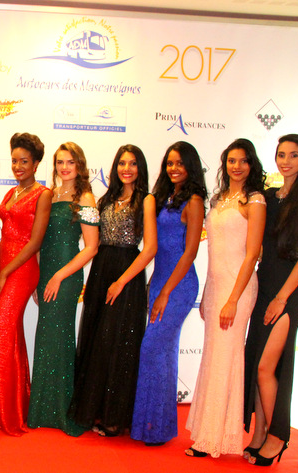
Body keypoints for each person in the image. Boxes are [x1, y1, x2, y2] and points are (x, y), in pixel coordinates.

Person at [243, 134, 298, 466]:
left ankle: (277, 437)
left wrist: (281, 297)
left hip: (289, 290)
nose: (286, 161)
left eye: (294, 155)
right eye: (281, 154)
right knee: (259, 364)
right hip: (264, 285)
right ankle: (259, 433)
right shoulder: (267, 197)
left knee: (267, 366)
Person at [184, 139, 266, 458]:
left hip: (239, 288)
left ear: (251, 164)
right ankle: (208, 432)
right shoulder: (218, 199)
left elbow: (252, 254)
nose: (237, 166)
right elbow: (214, 252)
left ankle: (214, 439)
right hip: (216, 287)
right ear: (225, 164)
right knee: (214, 358)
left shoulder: (254, 200)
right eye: (232, 160)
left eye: (243, 161)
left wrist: (233, 299)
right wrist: (208, 292)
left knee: (226, 359)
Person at [68, 144, 157, 437]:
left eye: (132, 163)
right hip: (101, 270)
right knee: (97, 341)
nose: (126, 169)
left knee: (118, 345)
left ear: (140, 168)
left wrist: (122, 281)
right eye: (122, 163)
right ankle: (93, 410)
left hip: (126, 274)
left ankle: (114, 417)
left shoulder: (146, 200)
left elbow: (150, 249)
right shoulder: (106, 199)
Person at [0, 133, 51, 436]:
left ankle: (5, 412)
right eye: (15, 161)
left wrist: (6, 272)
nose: (18, 166)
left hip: (21, 268)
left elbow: (35, 242)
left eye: (24, 161)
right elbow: (6, 235)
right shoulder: (12, 192)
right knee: (4, 334)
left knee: (2, 333)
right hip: (3, 263)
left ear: (36, 163)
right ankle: (3, 404)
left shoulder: (42, 194)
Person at [131, 141, 206, 446]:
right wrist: (154, 285)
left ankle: (154, 426)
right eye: (170, 163)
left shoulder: (194, 201)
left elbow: (189, 253)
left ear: (191, 166)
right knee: (163, 353)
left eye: (180, 163)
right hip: (160, 279)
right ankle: (156, 427)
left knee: (152, 349)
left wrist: (165, 292)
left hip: (179, 285)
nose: (174, 168)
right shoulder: (166, 198)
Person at [28, 142, 99, 436]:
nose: (65, 167)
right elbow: (38, 240)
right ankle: (42, 409)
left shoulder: (86, 198)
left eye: (70, 162)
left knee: (61, 338)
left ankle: (61, 410)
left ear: (79, 165)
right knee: (46, 339)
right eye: (60, 162)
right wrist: (39, 276)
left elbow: (91, 247)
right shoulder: (50, 194)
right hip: (46, 273)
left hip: (66, 277)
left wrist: (59, 276)